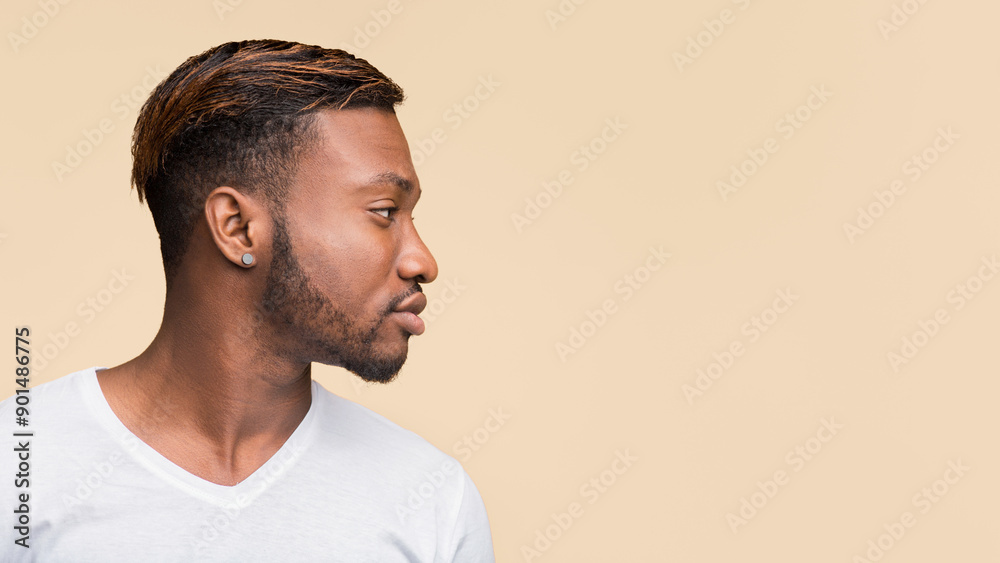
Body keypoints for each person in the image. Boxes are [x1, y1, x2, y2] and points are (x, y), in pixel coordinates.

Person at [2, 39, 495, 561]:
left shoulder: (433, 499)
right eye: (384, 211)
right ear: (237, 228)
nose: (422, 261)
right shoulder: (19, 469)